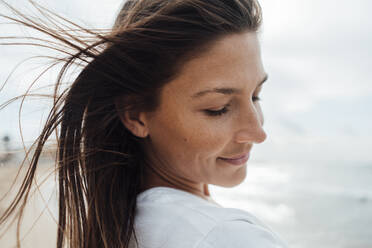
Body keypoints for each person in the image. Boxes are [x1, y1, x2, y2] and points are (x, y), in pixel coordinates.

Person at [0, 0, 289, 247]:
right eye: (218, 109)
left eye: (256, 96)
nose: (257, 132)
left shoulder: (116, 224)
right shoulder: (226, 237)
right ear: (135, 114)